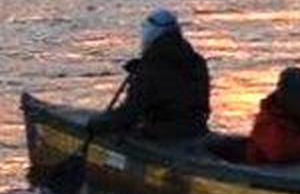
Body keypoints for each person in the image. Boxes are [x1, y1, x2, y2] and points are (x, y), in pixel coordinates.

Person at [87, 8, 211, 140]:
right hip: (196, 129)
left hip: (162, 135)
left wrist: (100, 124)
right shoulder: (196, 61)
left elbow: (130, 113)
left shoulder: (150, 69)